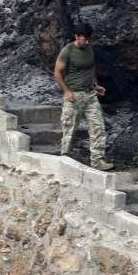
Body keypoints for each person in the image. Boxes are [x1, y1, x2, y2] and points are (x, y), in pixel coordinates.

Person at [53, 22, 113, 171]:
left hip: (90, 95)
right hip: (74, 95)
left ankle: (97, 161)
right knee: (70, 128)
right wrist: (66, 91)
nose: (86, 42)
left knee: (98, 126)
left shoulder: (89, 49)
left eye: (88, 39)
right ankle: (65, 159)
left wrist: (95, 85)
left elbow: (90, 69)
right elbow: (57, 73)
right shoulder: (67, 51)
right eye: (84, 39)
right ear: (76, 37)